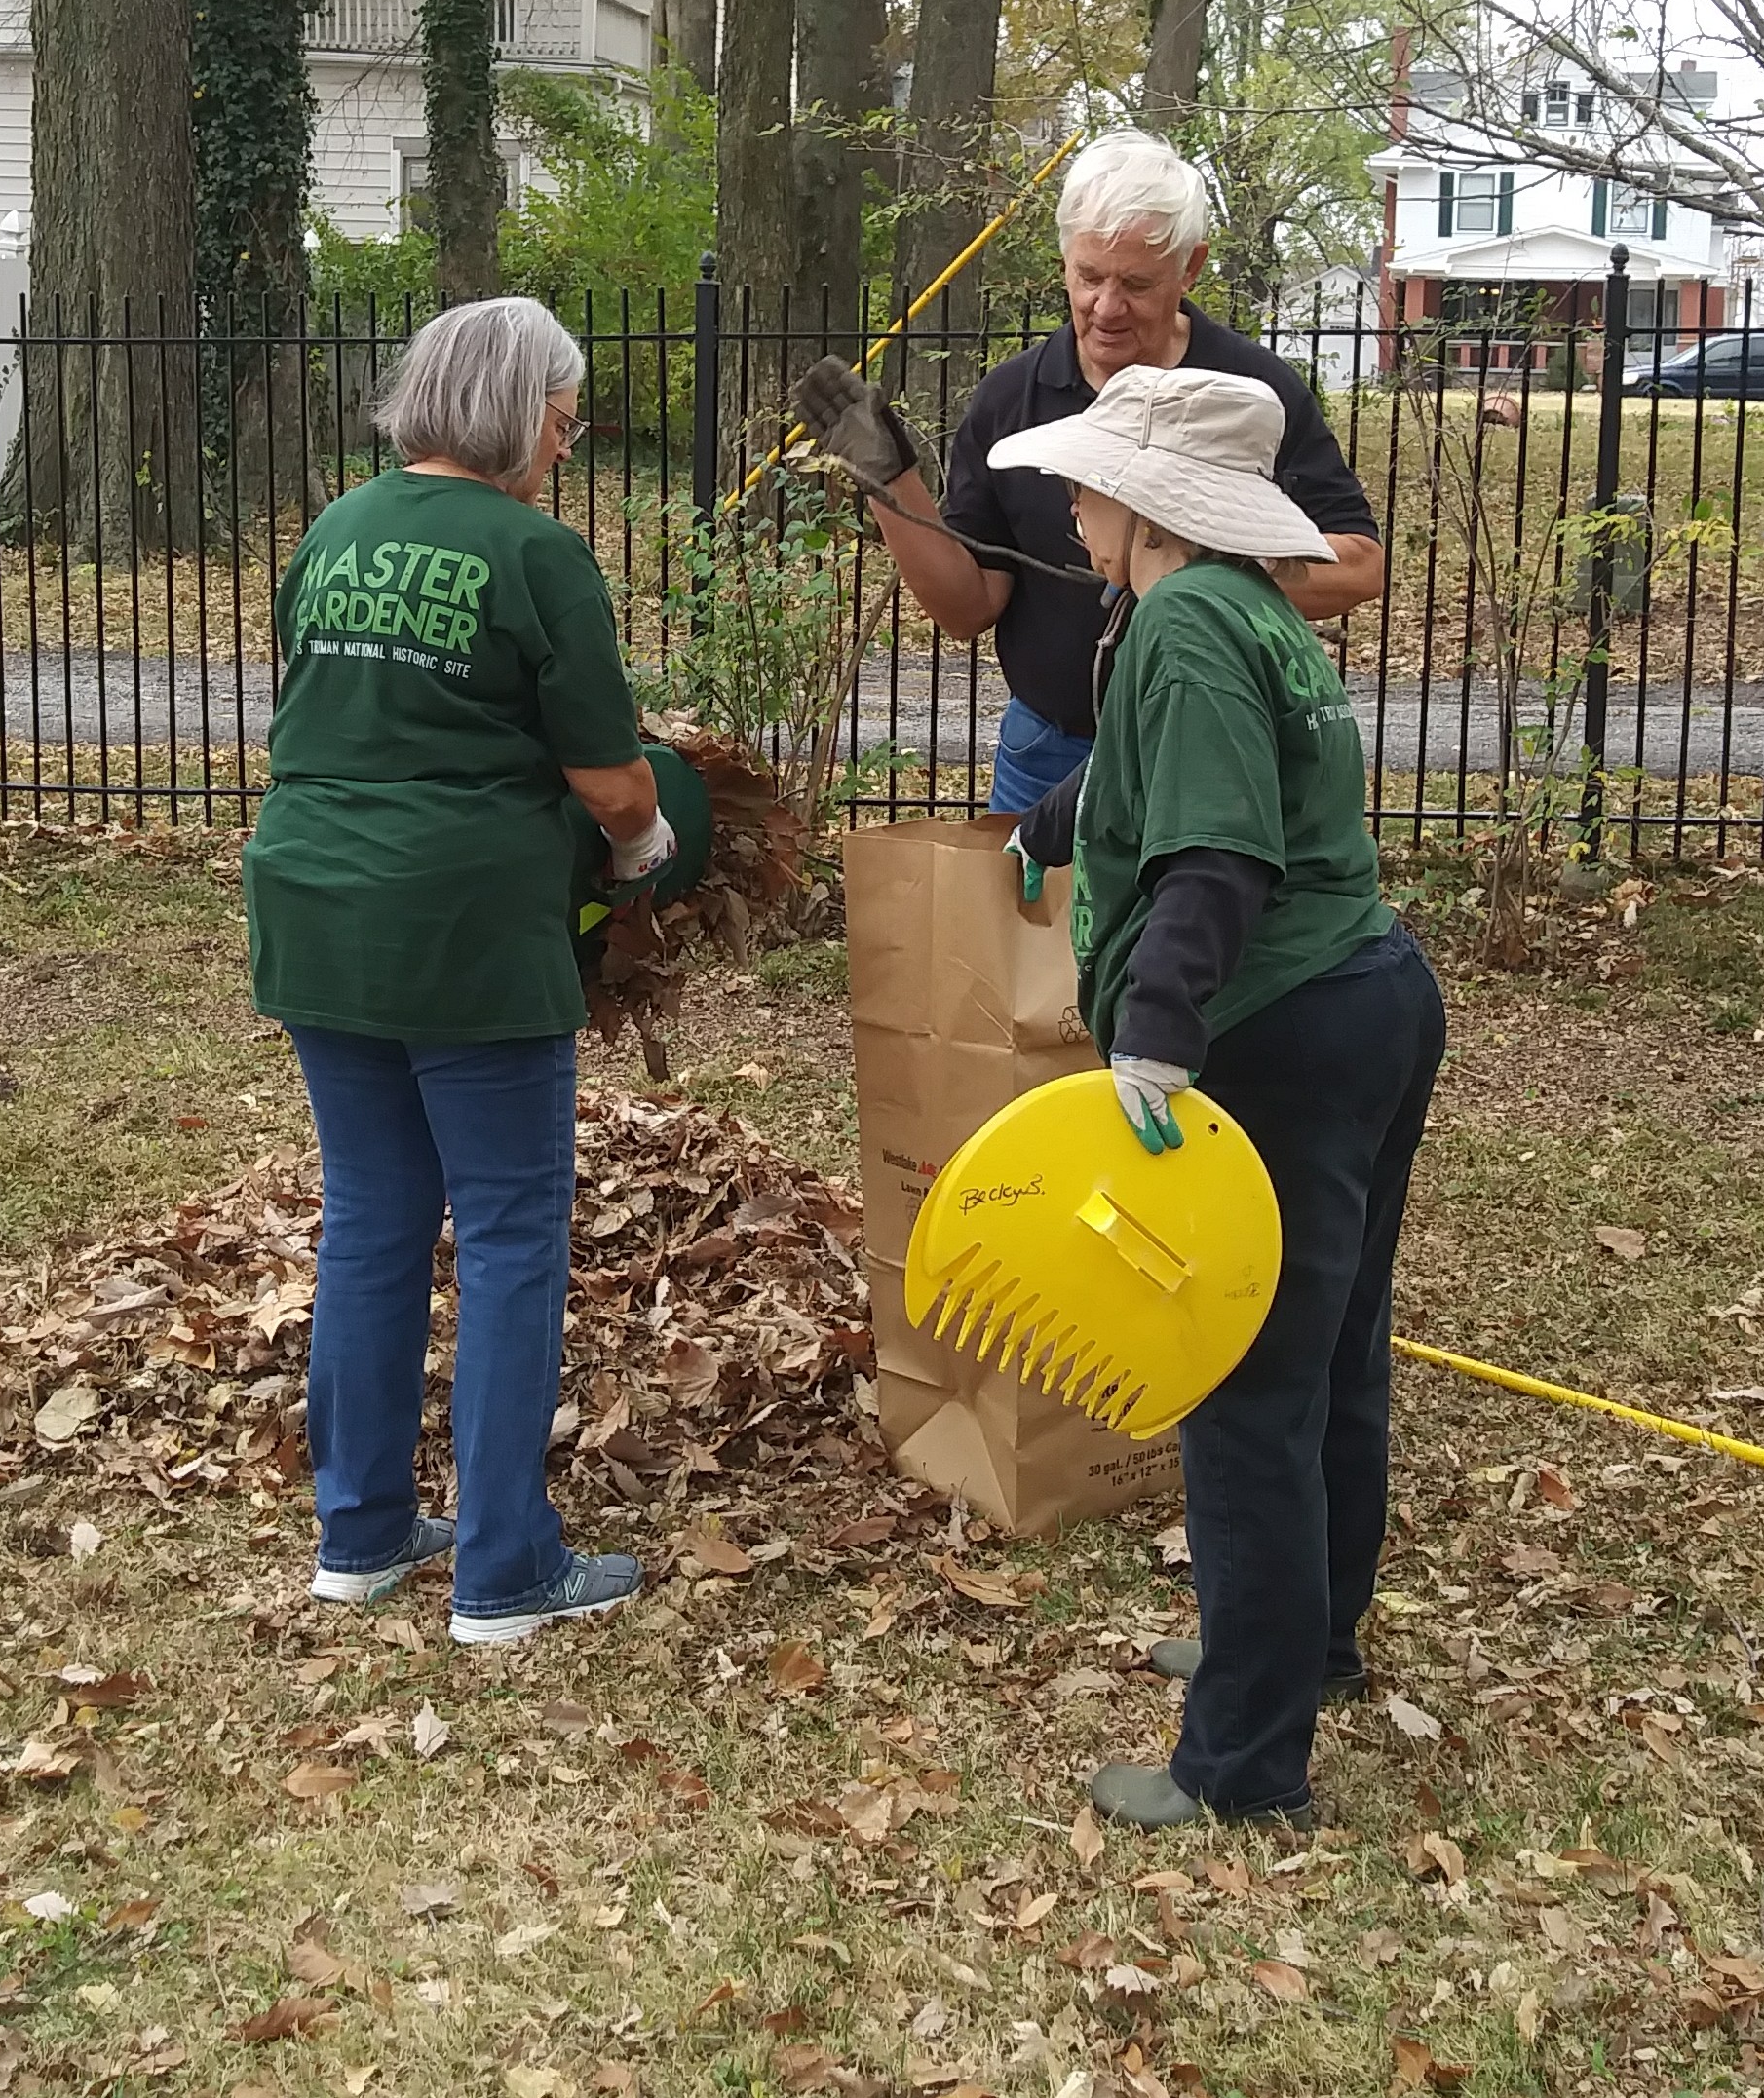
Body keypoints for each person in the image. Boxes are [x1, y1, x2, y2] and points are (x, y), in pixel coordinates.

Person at [997, 362, 1447, 1830]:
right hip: (1370, 999)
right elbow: (1169, 770)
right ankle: (1303, 1643)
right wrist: (1053, 821)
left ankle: (1241, 1764)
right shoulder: (1243, 605)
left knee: (1243, 1386)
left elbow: (1217, 860)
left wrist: (1152, 1033)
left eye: (1086, 480)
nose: (1067, 500)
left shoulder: (1185, 619)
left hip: (1280, 1029)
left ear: (1146, 500)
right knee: (1332, 1355)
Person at [243, 298, 672, 1648]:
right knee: (505, 1234)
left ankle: (360, 1533)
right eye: (561, 413)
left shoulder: (332, 529)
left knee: (370, 1217)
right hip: (467, 923)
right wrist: (647, 843)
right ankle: (504, 1568)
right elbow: (606, 771)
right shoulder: (537, 554)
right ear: (511, 408)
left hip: (315, 902)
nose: (567, 437)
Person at [790, 129, 1383, 809]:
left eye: (1135, 283)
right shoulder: (1012, 402)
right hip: (1050, 753)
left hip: (1220, 746)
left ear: (1190, 268)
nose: (1105, 307)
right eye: (1088, 275)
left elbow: (1361, 564)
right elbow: (966, 608)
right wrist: (890, 485)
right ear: (1064, 259)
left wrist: (1195, 561)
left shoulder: (1249, 392)